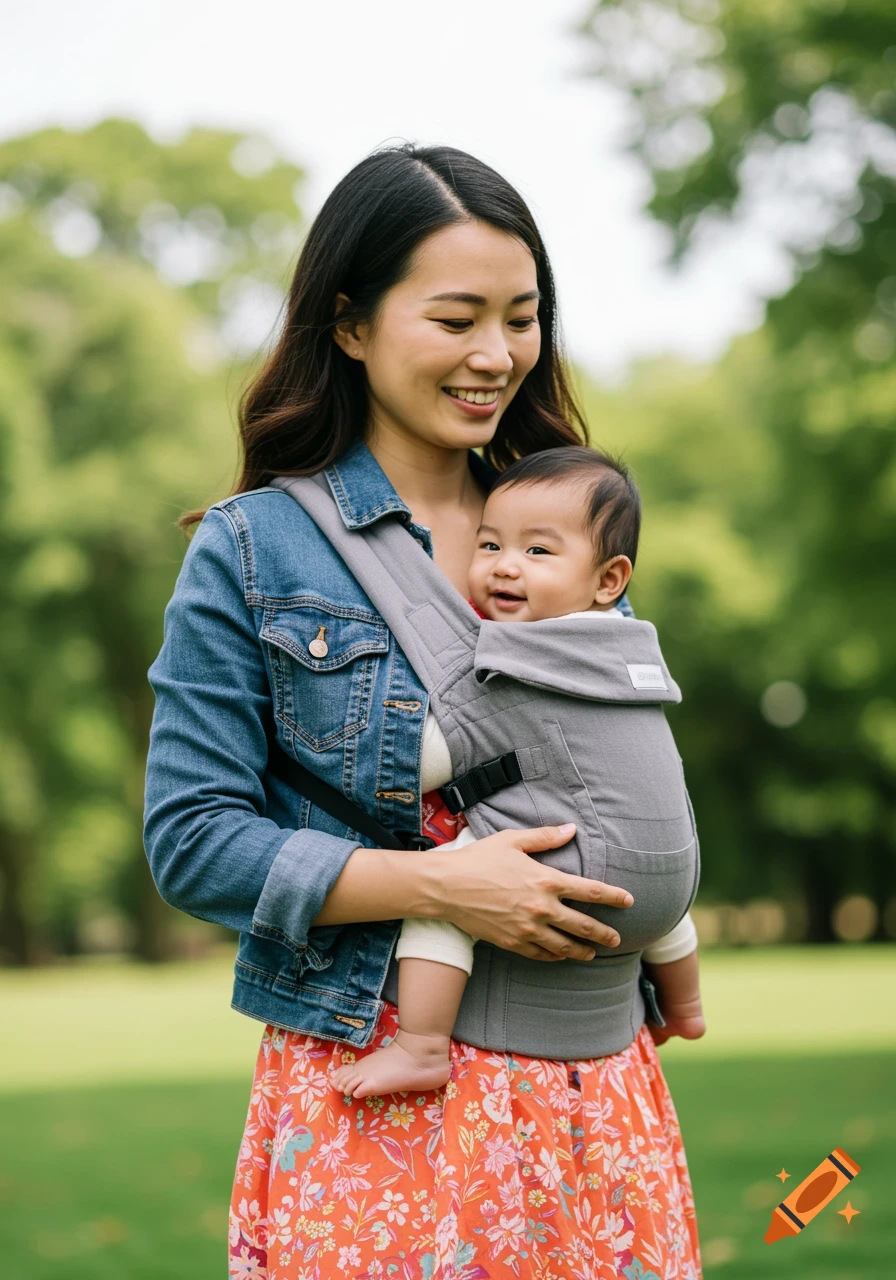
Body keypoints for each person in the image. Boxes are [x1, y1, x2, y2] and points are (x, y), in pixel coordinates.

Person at [144, 142, 704, 1279]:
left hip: (591, 1086)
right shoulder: (253, 549)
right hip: (384, 1084)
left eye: (519, 315)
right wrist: (441, 885)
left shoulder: (564, 528)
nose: (493, 354)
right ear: (348, 324)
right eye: (455, 319)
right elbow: (192, 837)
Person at [330, 446, 704, 1100]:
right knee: (653, 878)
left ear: (609, 579)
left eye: (538, 552)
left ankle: (420, 1046)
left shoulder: (524, 658)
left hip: (579, 869)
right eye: (490, 544)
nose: (504, 566)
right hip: (672, 878)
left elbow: (416, 765)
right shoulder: (632, 651)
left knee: (451, 886)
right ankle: (688, 1007)